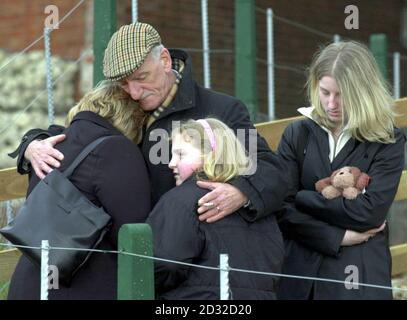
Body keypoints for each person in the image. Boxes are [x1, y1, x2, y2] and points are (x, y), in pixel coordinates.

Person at [9, 22, 287, 224]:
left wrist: (241, 192)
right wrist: (32, 143)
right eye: (124, 83)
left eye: (141, 78)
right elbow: (77, 134)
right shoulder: (123, 102)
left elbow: (270, 170)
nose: (133, 92)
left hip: (198, 261)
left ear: (165, 60)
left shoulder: (222, 109)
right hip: (133, 256)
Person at [276, 41, 405, 300]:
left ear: (363, 92)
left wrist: (303, 197)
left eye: (341, 94)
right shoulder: (296, 134)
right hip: (300, 277)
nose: (331, 103)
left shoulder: (387, 140)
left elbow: (369, 214)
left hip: (359, 278)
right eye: (325, 92)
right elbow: (280, 209)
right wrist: (337, 236)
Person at [8, 81, 151, 300]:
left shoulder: (49, 144)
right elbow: (134, 233)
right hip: (82, 287)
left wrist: (29, 143)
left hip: (29, 282)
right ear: (132, 118)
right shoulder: (118, 150)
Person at [147, 118, 284, 299]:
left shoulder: (179, 200)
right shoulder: (260, 208)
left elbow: (164, 264)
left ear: (211, 154)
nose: (171, 163)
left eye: (180, 154)